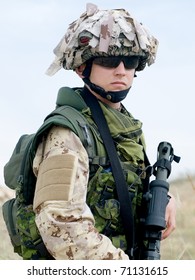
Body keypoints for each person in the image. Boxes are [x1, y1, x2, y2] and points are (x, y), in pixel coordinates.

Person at [32, 3, 176, 260]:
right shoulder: (67, 132)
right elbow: (61, 224)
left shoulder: (125, 127)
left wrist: (162, 200)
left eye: (130, 61)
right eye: (109, 60)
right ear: (81, 68)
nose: (121, 70)